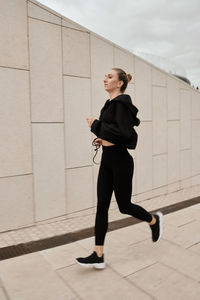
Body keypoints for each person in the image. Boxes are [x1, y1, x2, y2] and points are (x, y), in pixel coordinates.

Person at [75, 68, 163, 269]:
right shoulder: (110, 104)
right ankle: (98, 255)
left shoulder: (122, 104)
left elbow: (123, 134)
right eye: (105, 75)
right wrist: (102, 138)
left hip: (121, 162)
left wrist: (95, 125)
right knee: (102, 207)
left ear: (120, 83)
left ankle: (153, 220)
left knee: (125, 206)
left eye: (109, 76)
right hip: (107, 161)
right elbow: (113, 133)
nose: (104, 79)